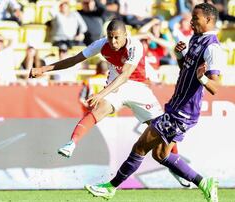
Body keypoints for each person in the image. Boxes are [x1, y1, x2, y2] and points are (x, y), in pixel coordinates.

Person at [84, 3, 224, 202]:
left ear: (209, 20)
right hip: (176, 107)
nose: (191, 21)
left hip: (182, 113)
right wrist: (179, 57)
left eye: (195, 18)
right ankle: (204, 182)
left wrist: (202, 79)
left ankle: (110, 187)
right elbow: (187, 70)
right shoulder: (196, 39)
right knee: (160, 155)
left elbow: (216, 87)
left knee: (140, 147)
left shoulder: (213, 48)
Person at [30, 19, 190, 187]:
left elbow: (126, 75)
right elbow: (75, 59)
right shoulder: (102, 44)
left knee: (164, 129)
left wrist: (101, 93)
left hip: (139, 88)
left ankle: (175, 168)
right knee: (101, 109)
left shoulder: (135, 45)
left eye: (116, 38)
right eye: (110, 37)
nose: (113, 42)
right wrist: (44, 69)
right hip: (116, 88)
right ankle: (72, 143)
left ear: (125, 35)